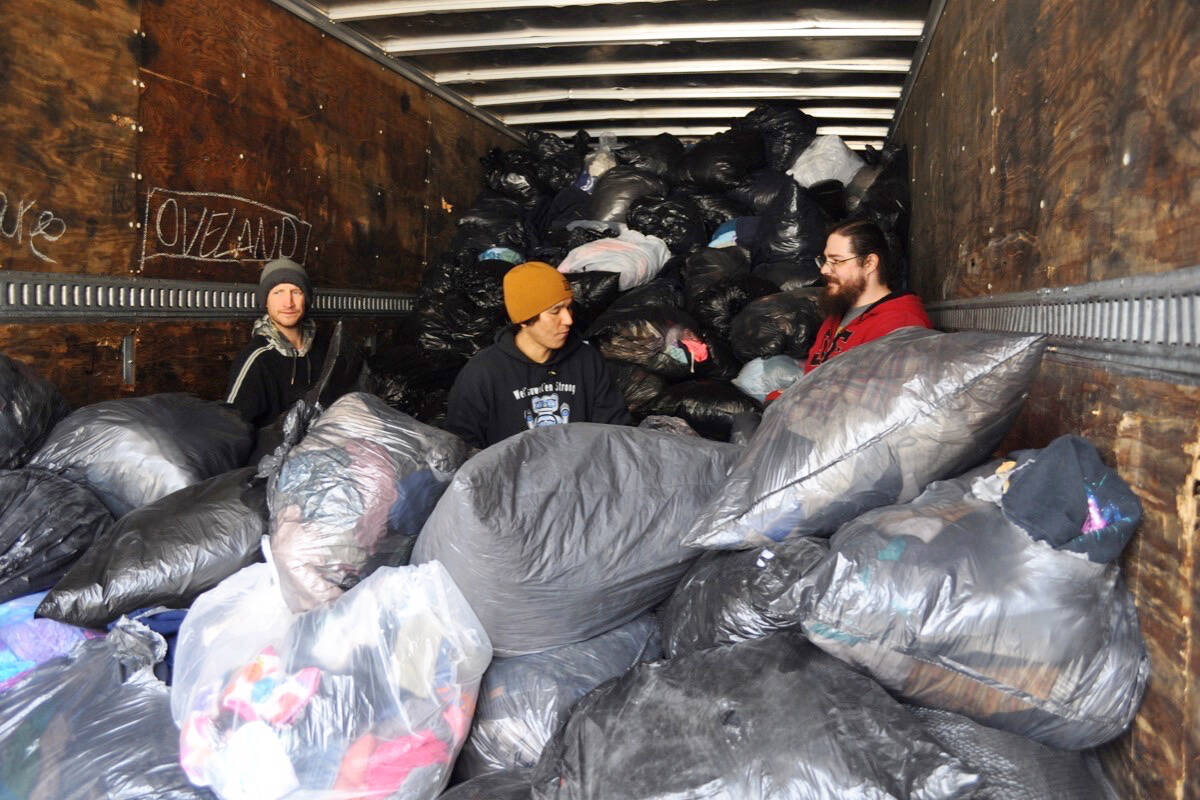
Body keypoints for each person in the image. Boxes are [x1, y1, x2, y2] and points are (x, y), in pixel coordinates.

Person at [445, 261, 631, 449]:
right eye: (555, 311)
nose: (568, 320)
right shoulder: (483, 372)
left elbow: (614, 432)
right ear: (525, 319)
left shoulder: (587, 360)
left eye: (568, 307)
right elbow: (461, 448)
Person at [803, 220, 931, 373]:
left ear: (869, 263)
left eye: (836, 261)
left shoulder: (900, 326)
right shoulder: (837, 313)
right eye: (825, 260)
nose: (824, 269)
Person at [226, 257, 328, 427]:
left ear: (306, 299)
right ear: (266, 301)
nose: (288, 303)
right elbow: (232, 429)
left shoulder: (324, 349)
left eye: (296, 292)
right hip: (275, 452)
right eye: (278, 292)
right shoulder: (256, 359)